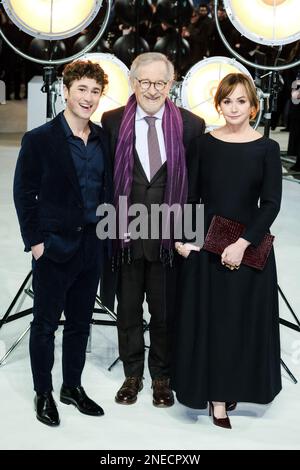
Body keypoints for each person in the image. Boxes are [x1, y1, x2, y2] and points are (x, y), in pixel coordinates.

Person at [171, 73, 282, 429]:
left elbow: (271, 203)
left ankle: (233, 387)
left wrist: (242, 243)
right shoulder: (203, 144)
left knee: (241, 325)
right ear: (218, 105)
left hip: (247, 250)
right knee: (215, 325)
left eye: (241, 101)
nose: (234, 108)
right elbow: (191, 196)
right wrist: (188, 241)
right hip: (209, 249)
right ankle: (217, 399)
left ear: (254, 107)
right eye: (227, 101)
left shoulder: (267, 148)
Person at [101, 52, 205, 407]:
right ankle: (133, 373)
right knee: (128, 309)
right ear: (132, 82)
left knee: (164, 310)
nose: (152, 89)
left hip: (168, 236)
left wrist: (190, 235)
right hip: (126, 232)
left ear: (171, 84)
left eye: (160, 82)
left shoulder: (192, 124)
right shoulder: (112, 121)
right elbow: (108, 181)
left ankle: (162, 375)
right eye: (144, 81)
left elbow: (194, 185)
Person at [13, 60, 112, 426]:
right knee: (44, 325)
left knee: (81, 325)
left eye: (95, 91)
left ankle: (72, 386)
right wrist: (36, 242)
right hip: (53, 247)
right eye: (82, 89)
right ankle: (44, 393)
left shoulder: (104, 138)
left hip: (92, 245)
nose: (88, 98)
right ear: (66, 91)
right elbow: (24, 193)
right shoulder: (40, 139)